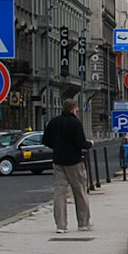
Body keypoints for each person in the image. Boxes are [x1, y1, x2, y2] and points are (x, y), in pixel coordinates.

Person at [43, 97, 93, 232]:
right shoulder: (75, 123)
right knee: (80, 192)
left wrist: (57, 146)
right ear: (73, 109)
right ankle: (83, 223)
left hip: (58, 161)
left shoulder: (54, 122)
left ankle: (61, 225)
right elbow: (80, 143)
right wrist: (90, 144)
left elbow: (45, 140)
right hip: (74, 162)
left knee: (59, 193)